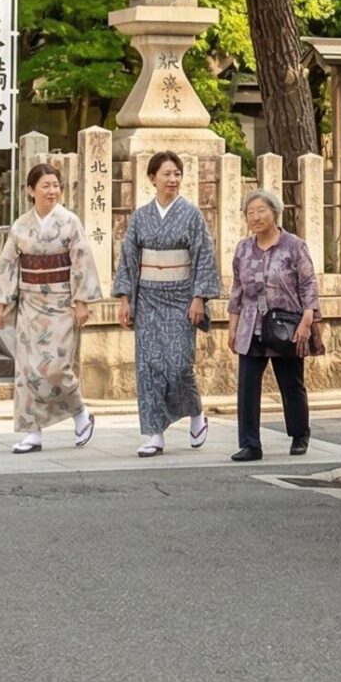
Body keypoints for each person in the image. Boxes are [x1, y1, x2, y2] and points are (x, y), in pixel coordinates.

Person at [0, 162, 101, 453]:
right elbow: (9, 264)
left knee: (55, 367)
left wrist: (81, 301)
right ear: (30, 190)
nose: (52, 191)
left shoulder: (70, 222)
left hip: (61, 302)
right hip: (29, 303)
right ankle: (32, 431)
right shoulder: (20, 226)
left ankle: (80, 413)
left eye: (56, 186)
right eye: (46, 186)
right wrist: (0, 303)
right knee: (26, 370)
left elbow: (81, 261)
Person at [115, 150, 220, 456]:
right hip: (148, 297)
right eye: (166, 174)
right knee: (149, 367)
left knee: (178, 364)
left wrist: (199, 296)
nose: (173, 179)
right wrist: (126, 299)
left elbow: (203, 256)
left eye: (177, 174)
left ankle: (196, 411)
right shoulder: (140, 217)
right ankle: (154, 433)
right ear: (152, 179)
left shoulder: (191, 215)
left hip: (181, 297)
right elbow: (128, 259)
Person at [226, 188, 321, 462]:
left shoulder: (294, 246)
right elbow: (237, 290)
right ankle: (250, 444)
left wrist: (307, 320)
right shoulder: (243, 248)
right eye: (250, 213)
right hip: (251, 325)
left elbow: (308, 284)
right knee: (247, 387)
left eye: (261, 211)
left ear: (275, 213)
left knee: (291, 384)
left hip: (286, 325)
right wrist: (232, 326)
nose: (255, 217)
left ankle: (300, 433)